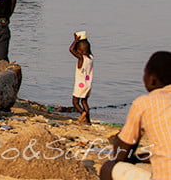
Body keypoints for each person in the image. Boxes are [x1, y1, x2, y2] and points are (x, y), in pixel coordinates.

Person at [100, 51, 171, 180]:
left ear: (152, 79)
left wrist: (137, 158)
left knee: (109, 167)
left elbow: (121, 155)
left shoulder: (145, 103)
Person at [68, 32, 93, 124]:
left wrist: (75, 40)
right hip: (88, 84)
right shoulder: (91, 58)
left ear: (79, 50)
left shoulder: (81, 59)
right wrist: (82, 40)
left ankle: (83, 114)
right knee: (84, 102)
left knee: (75, 102)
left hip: (80, 85)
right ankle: (88, 120)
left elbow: (71, 49)